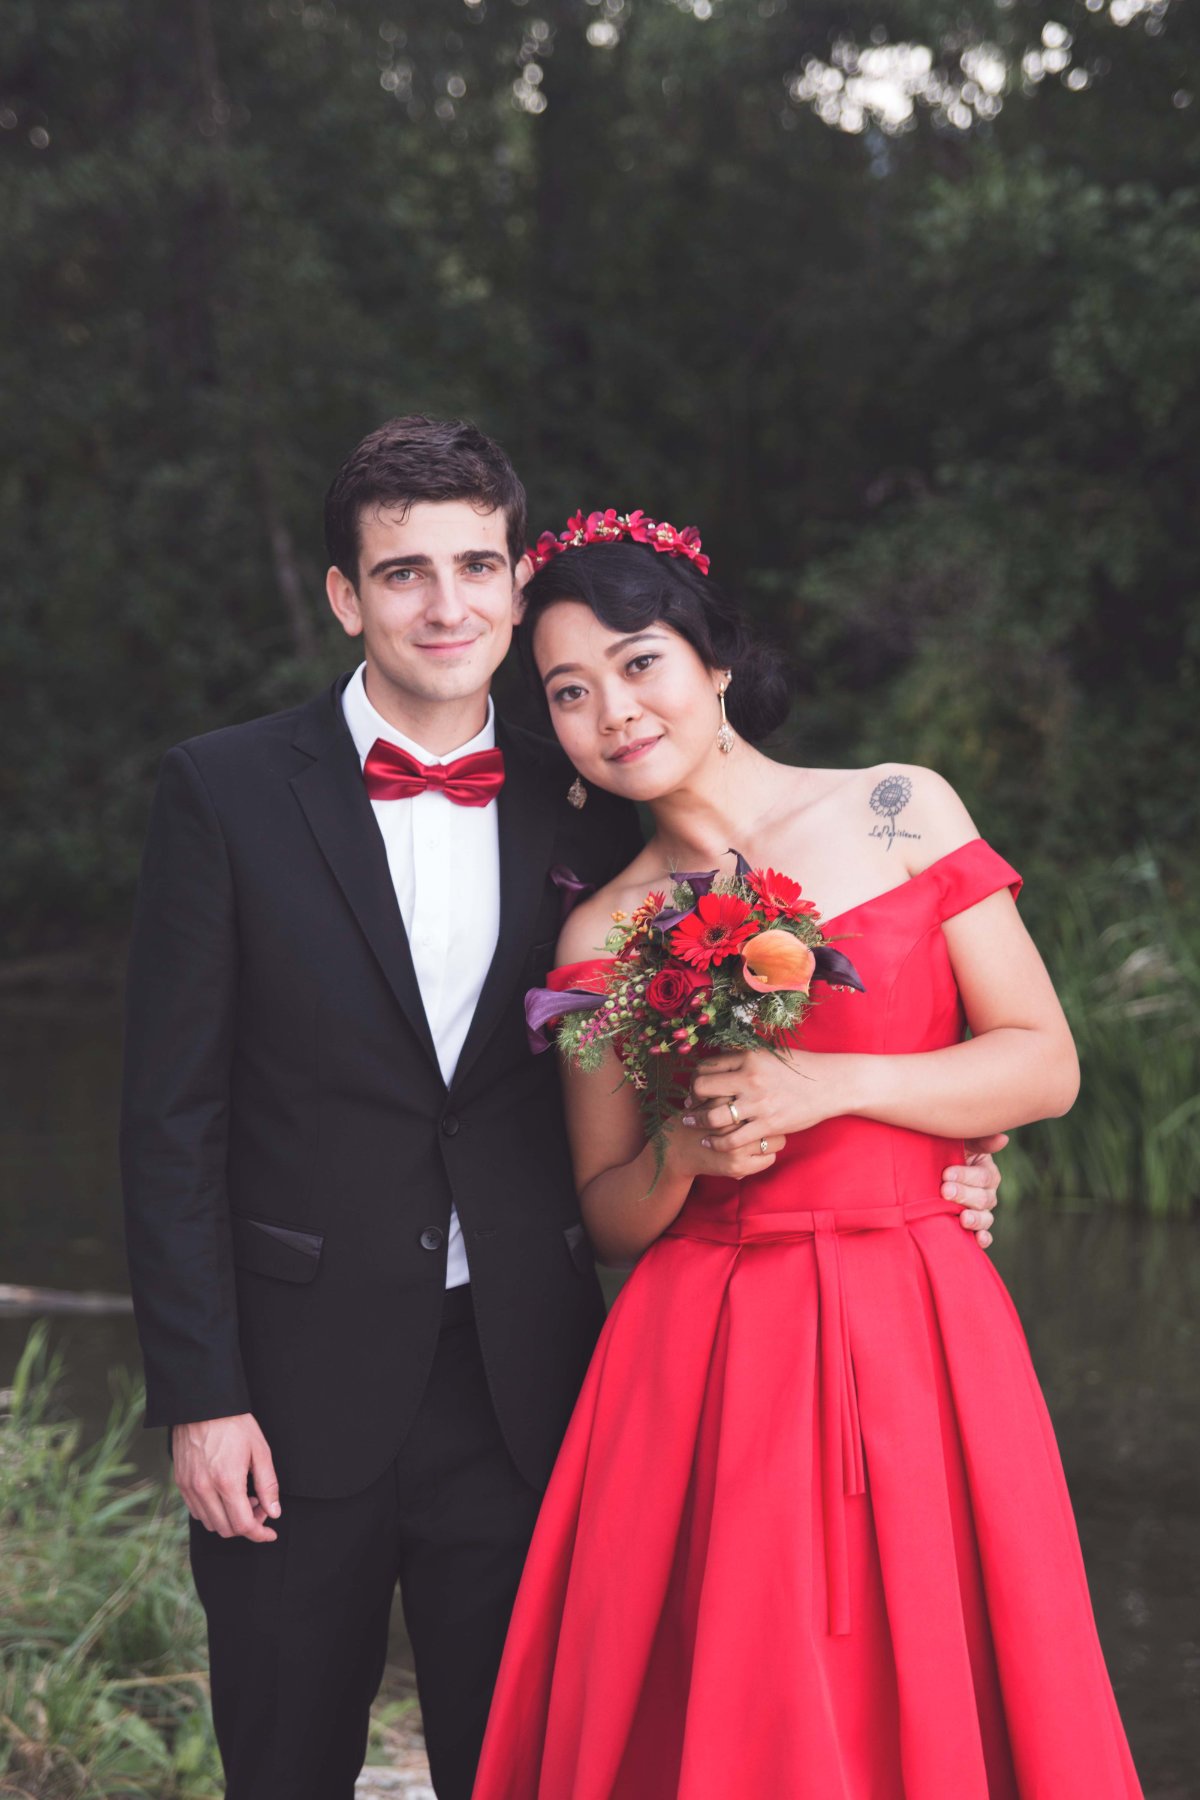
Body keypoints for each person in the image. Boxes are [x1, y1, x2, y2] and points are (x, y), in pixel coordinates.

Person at [119, 424, 1003, 1800]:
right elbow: (171, 1119)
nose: (446, 604)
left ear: (517, 579)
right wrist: (203, 1396)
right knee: (283, 1766)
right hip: (293, 1389)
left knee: (531, 1766)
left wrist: (946, 1156)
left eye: (476, 565)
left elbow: (776, 1032)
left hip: (533, 1383)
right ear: (346, 598)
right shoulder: (223, 790)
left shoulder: (597, 798)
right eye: (402, 573)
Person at [471, 511, 1142, 1799]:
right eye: (568, 691)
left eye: (638, 662)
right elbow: (610, 1217)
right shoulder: (600, 932)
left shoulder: (896, 807)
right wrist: (687, 1149)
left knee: (939, 1668)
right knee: (752, 1698)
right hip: (711, 1346)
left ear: (716, 661)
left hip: (922, 1312)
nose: (613, 710)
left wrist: (833, 1088)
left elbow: (1044, 1063)